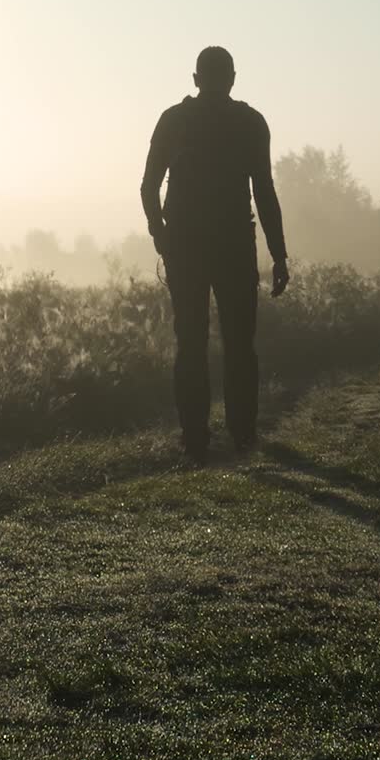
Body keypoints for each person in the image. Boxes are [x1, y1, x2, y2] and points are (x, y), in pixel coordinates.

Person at [140, 46, 289, 463]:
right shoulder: (250, 122)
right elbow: (264, 191)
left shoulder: (173, 120)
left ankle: (194, 440)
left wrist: (161, 236)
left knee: (190, 343)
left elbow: (148, 187)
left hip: (184, 248)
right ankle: (243, 436)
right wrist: (279, 255)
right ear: (233, 78)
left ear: (195, 79)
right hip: (236, 247)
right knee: (240, 344)